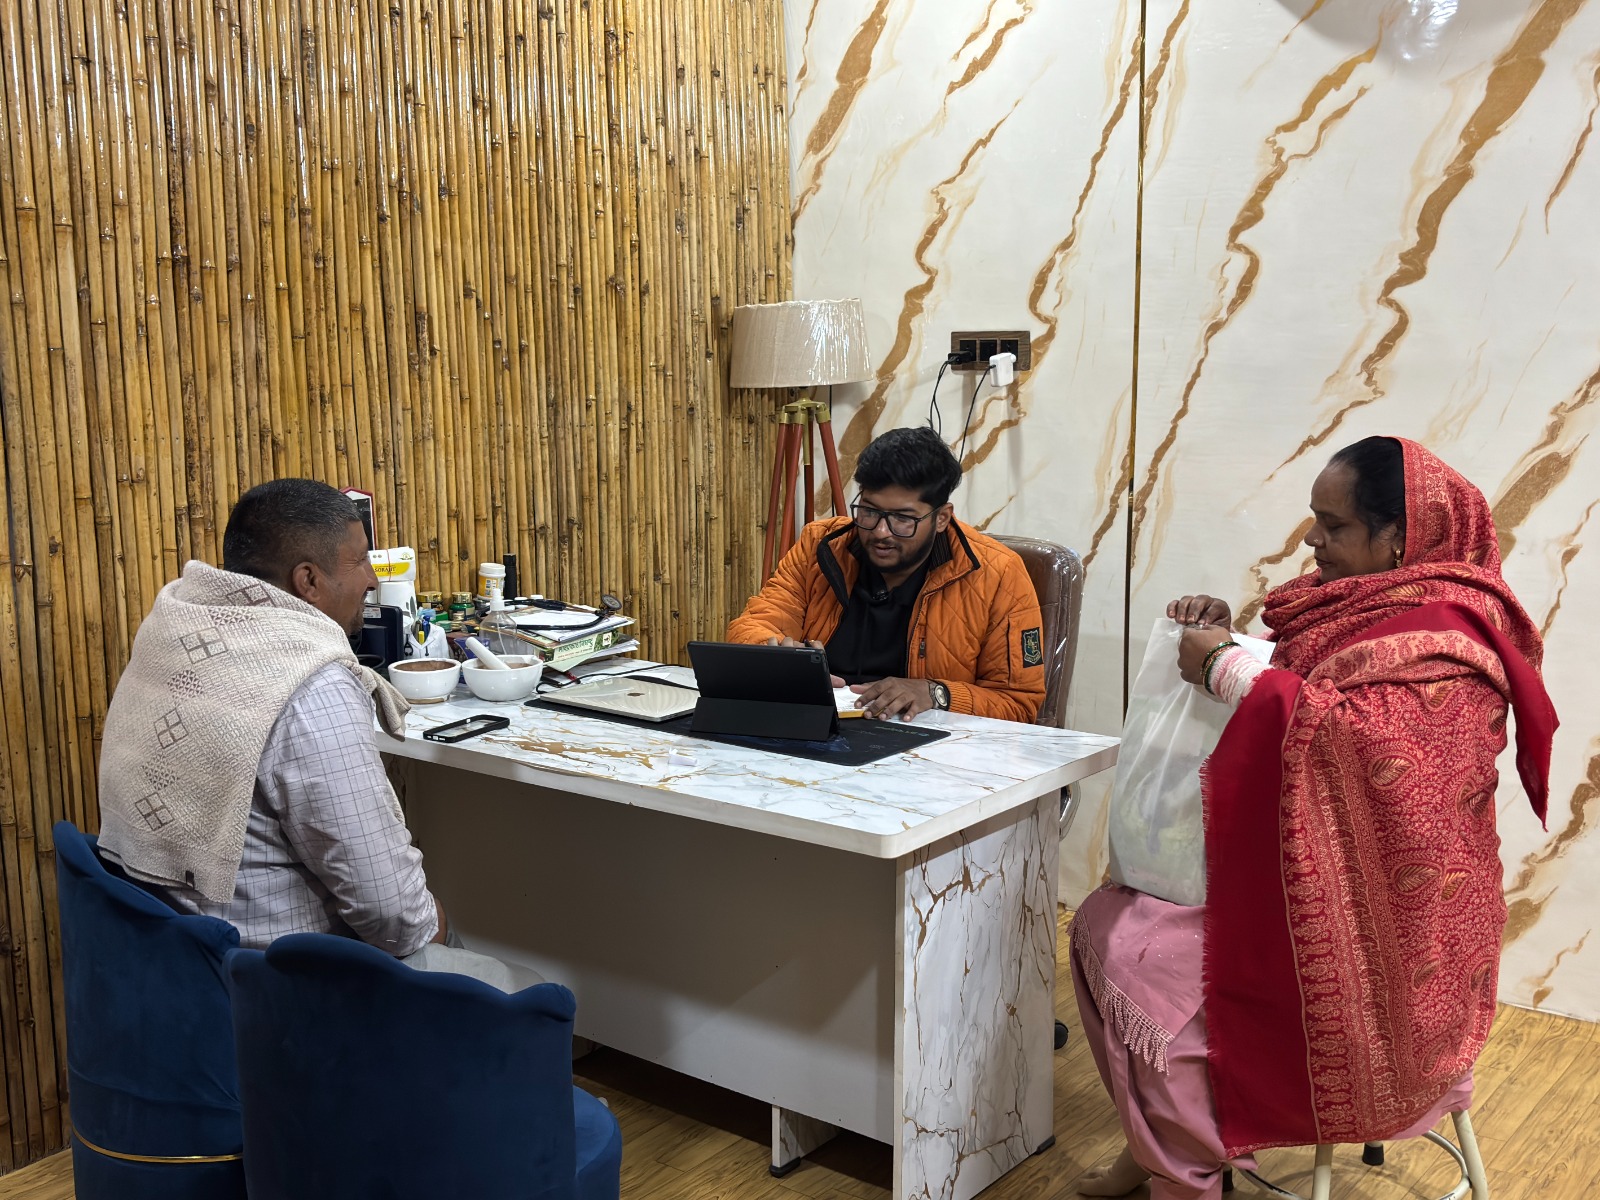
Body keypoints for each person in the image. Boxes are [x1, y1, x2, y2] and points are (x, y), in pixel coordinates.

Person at [1071, 437, 1557, 1199]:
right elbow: (1303, 678)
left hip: (1384, 939)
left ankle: (1188, 1166)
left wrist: (1221, 666)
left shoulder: (1452, 636)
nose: (1311, 540)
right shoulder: (1373, 601)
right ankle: (1167, 1147)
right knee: (1107, 920)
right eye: (1313, 520)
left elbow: (1355, 738)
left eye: (1333, 527)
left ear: (1398, 537)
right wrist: (1228, 635)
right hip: (1317, 882)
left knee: (1137, 956)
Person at [97, 479, 539, 992]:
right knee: (527, 988)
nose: (372, 581)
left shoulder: (175, 628)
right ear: (308, 580)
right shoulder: (311, 683)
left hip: (174, 959)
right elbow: (391, 914)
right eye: (360, 562)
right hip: (282, 988)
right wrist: (434, 920)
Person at [727, 426, 1047, 723]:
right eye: (869, 511)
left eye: (902, 519)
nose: (881, 532)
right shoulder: (820, 545)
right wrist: (776, 655)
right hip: (816, 730)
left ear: (941, 518)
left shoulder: (998, 574)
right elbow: (753, 626)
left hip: (930, 756)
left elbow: (1019, 705)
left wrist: (936, 693)